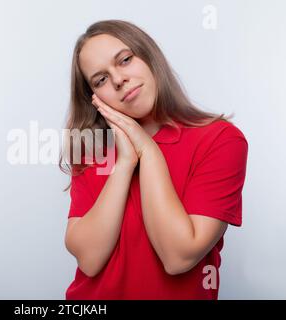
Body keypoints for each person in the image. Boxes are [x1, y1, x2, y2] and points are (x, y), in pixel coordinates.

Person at [59, 20, 249, 299]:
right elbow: (89, 259)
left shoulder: (220, 140)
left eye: (124, 60)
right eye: (100, 79)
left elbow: (178, 257)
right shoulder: (93, 149)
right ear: (95, 98)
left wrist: (147, 151)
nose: (118, 79)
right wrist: (124, 163)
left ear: (149, 56)